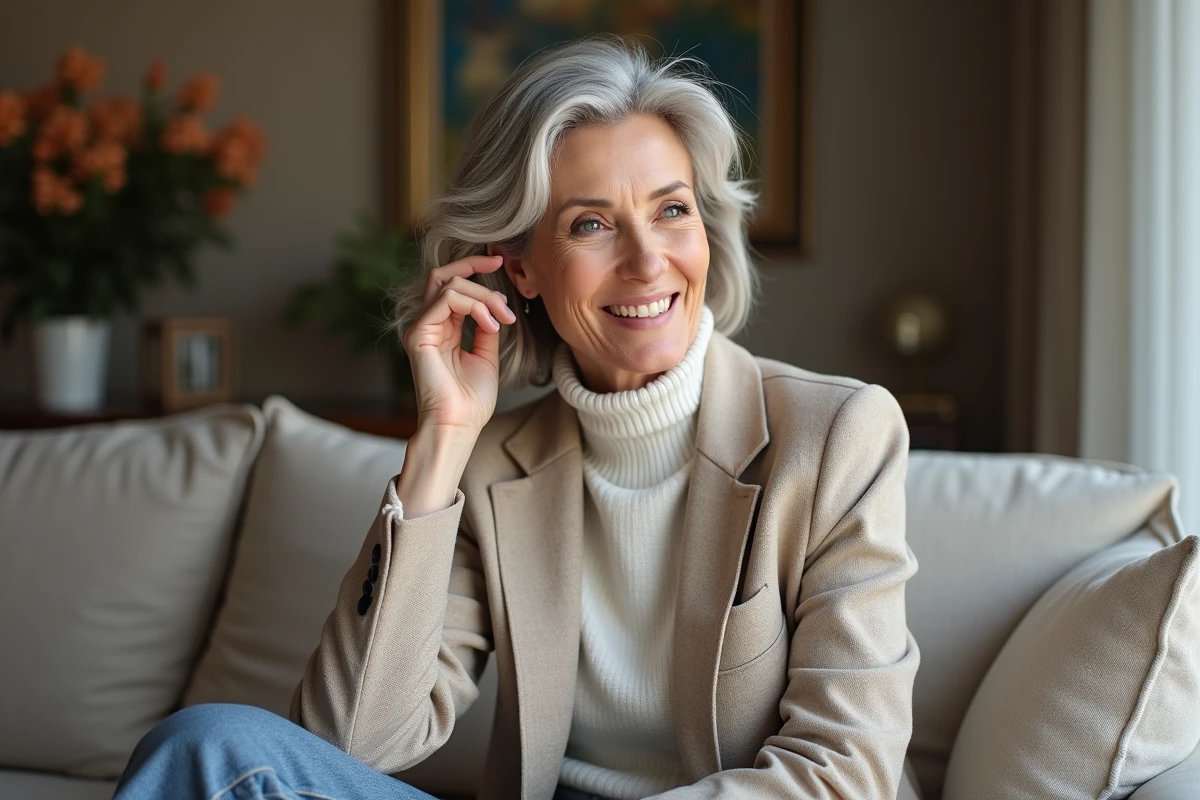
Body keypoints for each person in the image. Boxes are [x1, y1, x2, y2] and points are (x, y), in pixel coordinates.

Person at [114, 36, 920, 800]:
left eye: (672, 211)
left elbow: (841, 774)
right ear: (521, 266)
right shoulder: (496, 462)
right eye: (591, 224)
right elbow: (349, 747)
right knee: (207, 747)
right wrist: (441, 443)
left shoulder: (838, 436)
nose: (648, 260)